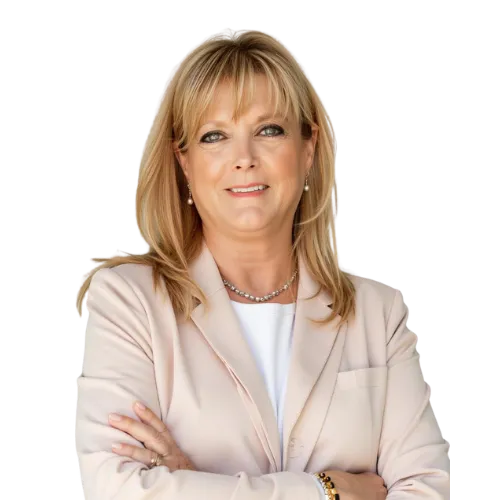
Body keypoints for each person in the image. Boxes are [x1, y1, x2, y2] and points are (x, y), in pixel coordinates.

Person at [73, 29, 450, 499]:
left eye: (268, 130)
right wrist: (328, 491)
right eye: (214, 136)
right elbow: (115, 490)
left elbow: (429, 490)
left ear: (308, 149)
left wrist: (193, 483)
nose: (244, 158)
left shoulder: (379, 313)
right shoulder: (129, 302)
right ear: (184, 163)